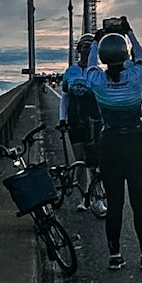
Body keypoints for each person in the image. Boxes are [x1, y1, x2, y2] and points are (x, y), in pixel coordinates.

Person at [88, 21, 142, 270]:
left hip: (110, 144)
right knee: (140, 203)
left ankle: (115, 255)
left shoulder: (96, 80)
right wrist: (129, 32)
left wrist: (97, 39)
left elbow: (90, 64)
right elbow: (141, 57)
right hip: (135, 143)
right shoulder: (137, 76)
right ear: (125, 54)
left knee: (115, 204)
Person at [59, 39, 102, 208]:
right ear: (79, 49)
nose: (87, 49)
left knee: (95, 161)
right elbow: (65, 98)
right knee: (80, 160)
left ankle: (98, 197)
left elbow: (104, 98)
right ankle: (84, 197)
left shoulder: (98, 72)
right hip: (75, 121)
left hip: (94, 120)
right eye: (84, 46)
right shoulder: (70, 72)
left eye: (91, 47)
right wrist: (62, 119)